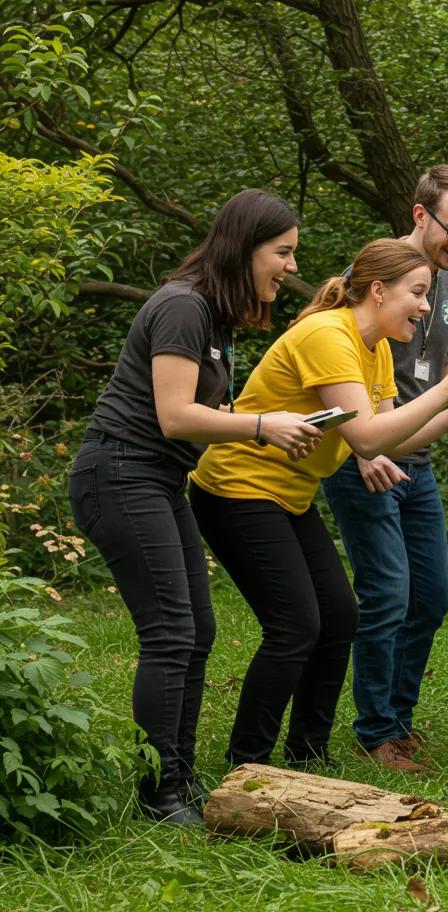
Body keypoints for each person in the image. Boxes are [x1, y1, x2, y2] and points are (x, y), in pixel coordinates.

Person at [189, 239, 448, 772]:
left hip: (288, 494)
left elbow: (392, 440)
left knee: (338, 618)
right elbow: (365, 438)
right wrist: (447, 386)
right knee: (295, 627)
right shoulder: (328, 335)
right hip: (236, 489)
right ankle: (249, 765)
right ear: (378, 291)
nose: (427, 308)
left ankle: (308, 757)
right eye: (418, 294)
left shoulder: (375, 346)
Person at [68, 189, 322, 825]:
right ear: (244, 248)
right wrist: (264, 426)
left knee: (196, 631)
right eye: (283, 252)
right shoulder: (183, 307)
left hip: (155, 478)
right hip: (121, 473)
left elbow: (205, 414)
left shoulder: (213, 315)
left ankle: (175, 776)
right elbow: (176, 416)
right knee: (171, 633)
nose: (291, 266)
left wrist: (278, 423)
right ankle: (161, 796)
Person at [321, 165, 448, 774]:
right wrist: (363, 449)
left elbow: (442, 368)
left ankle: (400, 719)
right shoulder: (372, 277)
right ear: (420, 215)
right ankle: (376, 732)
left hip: (417, 453)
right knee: (387, 592)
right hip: (362, 456)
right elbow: (327, 362)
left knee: (432, 596)